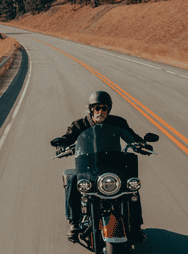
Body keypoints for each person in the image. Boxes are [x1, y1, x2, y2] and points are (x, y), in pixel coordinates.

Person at [50, 90, 146, 244]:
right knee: (73, 180)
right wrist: (62, 145)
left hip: (114, 167)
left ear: (109, 109)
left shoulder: (118, 122)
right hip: (88, 168)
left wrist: (140, 144)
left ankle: (135, 226)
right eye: (97, 108)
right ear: (91, 109)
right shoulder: (79, 125)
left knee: (131, 186)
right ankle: (74, 223)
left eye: (104, 108)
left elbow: (131, 136)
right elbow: (67, 137)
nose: (100, 111)